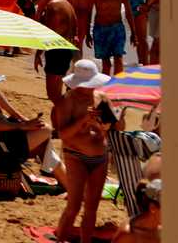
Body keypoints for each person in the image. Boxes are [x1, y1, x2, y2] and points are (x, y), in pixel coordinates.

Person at [52, 60, 116, 243]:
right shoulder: (67, 101)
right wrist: (83, 120)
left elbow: (113, 125)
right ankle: (60, 239)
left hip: (100, 157)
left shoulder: (101, 98)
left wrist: (101, 125)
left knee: (92, 208)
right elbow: (63, 134)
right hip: (76, 156)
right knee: (73, 206)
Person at [36, 0, 79, 103]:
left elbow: (48, 33)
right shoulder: (67, 4)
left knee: (52, 93)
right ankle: (62, 116)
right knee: (58, 92)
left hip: (56, 50)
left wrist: (38, 53)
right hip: (67, 49)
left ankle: (61, 117)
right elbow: (76, 26)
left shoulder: (52, 5)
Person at [91, 0, 130, 76]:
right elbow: (89, 10)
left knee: (119, 59)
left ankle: (119, 86)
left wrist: (134, 31)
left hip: (117, 27)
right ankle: (106, 89)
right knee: (106, 62)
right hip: (100, 28)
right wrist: (87, 33)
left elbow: (128, 11)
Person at [126, 0, 150, 66]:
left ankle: (146, 63)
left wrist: (146, 5)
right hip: (133, 12)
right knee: (136, 39)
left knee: (142, 39)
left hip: (140, 14)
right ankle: (141, 61)